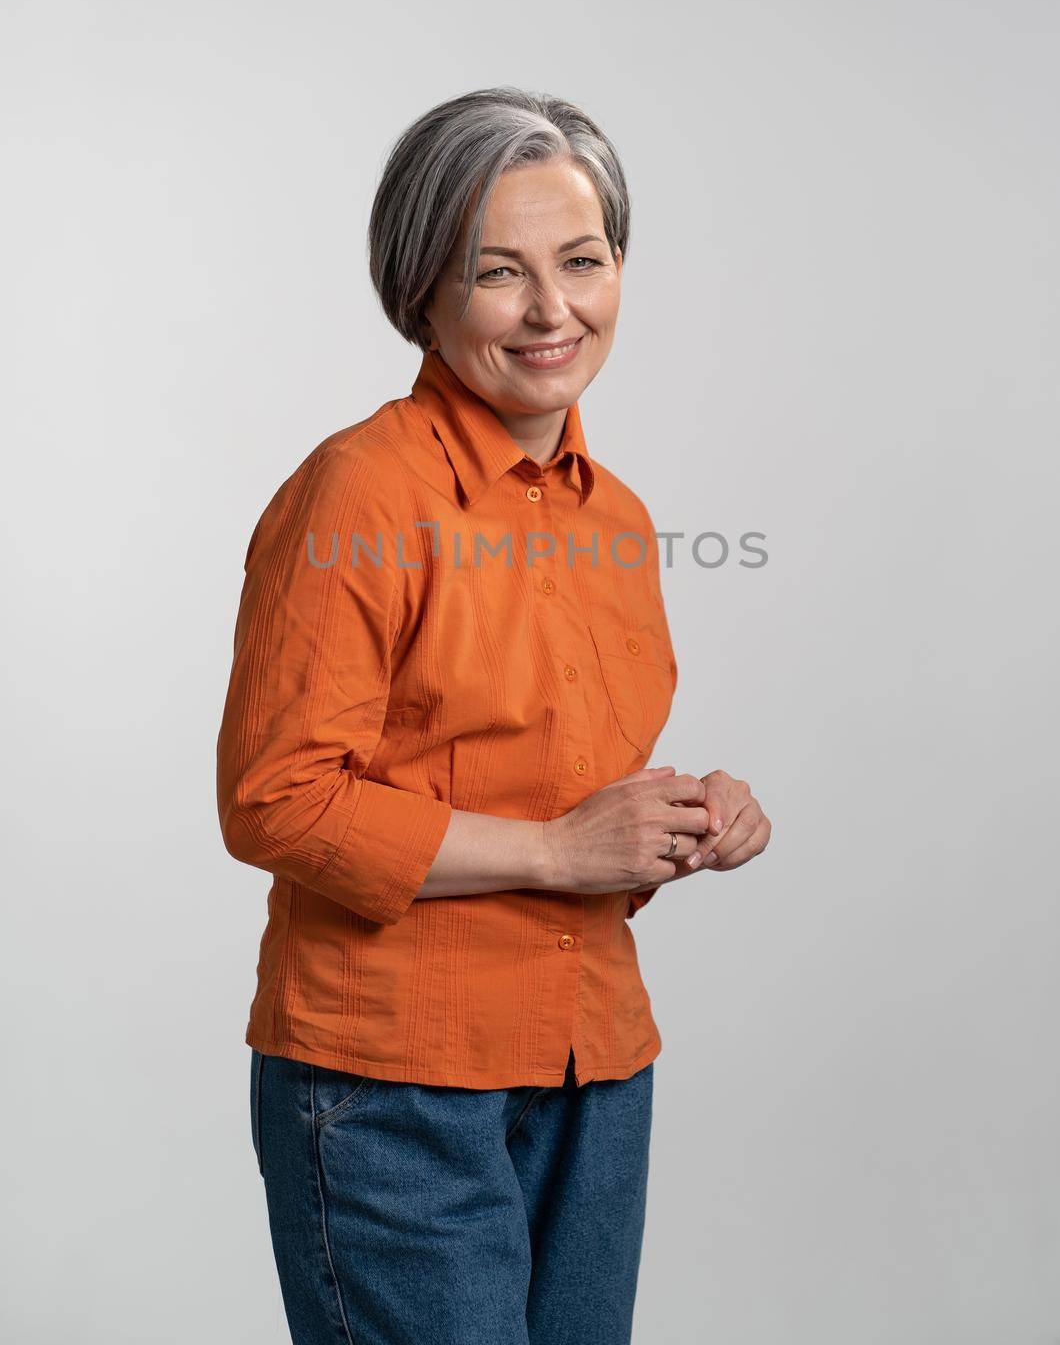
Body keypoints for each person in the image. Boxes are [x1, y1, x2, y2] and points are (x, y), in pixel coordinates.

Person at [216, 86, 771, 1344]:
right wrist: (557, 851)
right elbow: (276, 797)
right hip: (391, 1085)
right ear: (422, 288)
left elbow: (556, 794)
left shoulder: (614, 519)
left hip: (592, 1068)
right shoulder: (357, 490)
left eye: (580, 262)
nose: (549, 310)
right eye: (497, 272)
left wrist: (675, 824)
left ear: (619, 268)